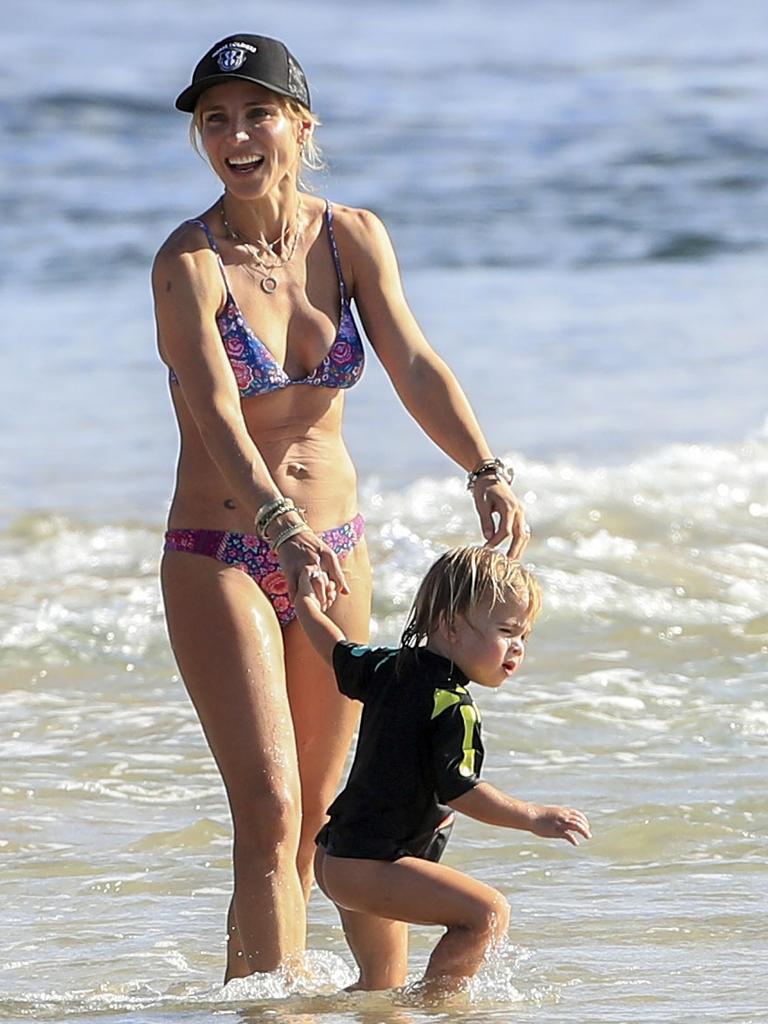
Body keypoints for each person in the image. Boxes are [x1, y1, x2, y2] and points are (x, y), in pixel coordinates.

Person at [152, 32, 530, 982]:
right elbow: (212, 411)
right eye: (215, 121)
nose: (236, 136)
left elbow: (411, 360)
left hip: (335, 549)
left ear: (301, 125)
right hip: (225, 550)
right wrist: (277, 522)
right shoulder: (187, 264)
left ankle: (387, 1000)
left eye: (256, 114)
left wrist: (483, 467)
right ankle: (267, 1006)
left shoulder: (350, 236)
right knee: (271, 809)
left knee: (343, 818)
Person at [294, 546, 591, 994]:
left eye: (524, 636)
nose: (517, 646)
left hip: (337, 855)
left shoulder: (389, 666)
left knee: (380, 993)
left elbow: (336, 651)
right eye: (507, 630)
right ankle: (440, 1011)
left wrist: (307, 605)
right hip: (371, 864)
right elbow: (461, 791)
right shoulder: (452, 706)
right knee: (485, 914)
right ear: (450, 625)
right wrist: (534, 818)